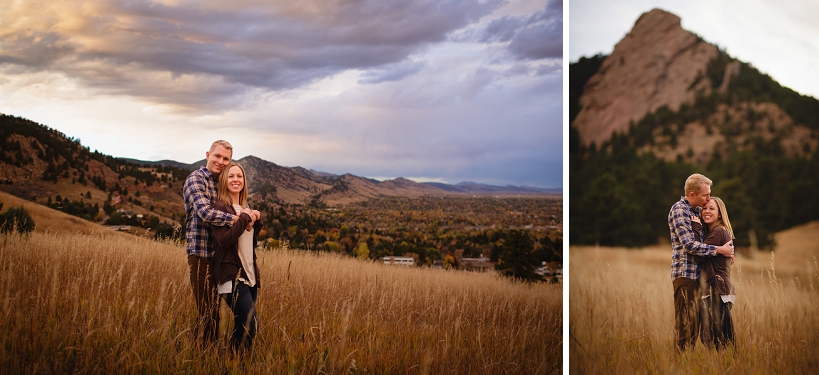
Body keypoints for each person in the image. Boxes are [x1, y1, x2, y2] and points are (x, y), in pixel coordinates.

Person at [183, 140, 241, 347]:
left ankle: (197, 347)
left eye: (226, 159)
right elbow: (205, 213)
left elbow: (236, 206)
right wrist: (237, 220)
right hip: (201, 255)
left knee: (216, 309)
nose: (221, 161)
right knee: (208, 311)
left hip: (220, 257)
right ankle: (207, 355)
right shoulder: (196, 179)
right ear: (207, 154)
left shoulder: (221, 182)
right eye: (217, 156)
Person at [668, 173, 734, 352]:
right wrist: (719, 250)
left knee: (698, 329)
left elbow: (713, 233)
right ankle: (678, 367)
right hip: (686, 277)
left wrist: (726, 252)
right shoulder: (679, 210)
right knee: (685, 329)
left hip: (702, 281)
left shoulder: (697, 210)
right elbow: (689, 245)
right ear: (692, 195)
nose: (708, 198)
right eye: (705, 195)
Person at [211, 162, 263, 353]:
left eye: (239, 176)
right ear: (224, 181)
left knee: (243, 323)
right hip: (232, 276)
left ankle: (234, 360)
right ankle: (234, 360)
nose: (235, 179)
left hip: (250, 276)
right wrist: (244, 219)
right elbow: (224, 241)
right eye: (231, 176)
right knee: (251, 323)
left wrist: (256, 221)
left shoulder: (245, 207)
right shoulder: (220, 208)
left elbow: (249, 243)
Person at [697, 197, 736, 350]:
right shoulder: (715, 232)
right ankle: (730, 365)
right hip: (721, 291)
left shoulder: (718, 231)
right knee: (725, 338)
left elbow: (697, 254)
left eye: (711, 208)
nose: (706, 211)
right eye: (704, 208)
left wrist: (694, 225)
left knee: (710, 337)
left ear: (720, 214)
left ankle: (719, 366)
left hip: (716, 291)